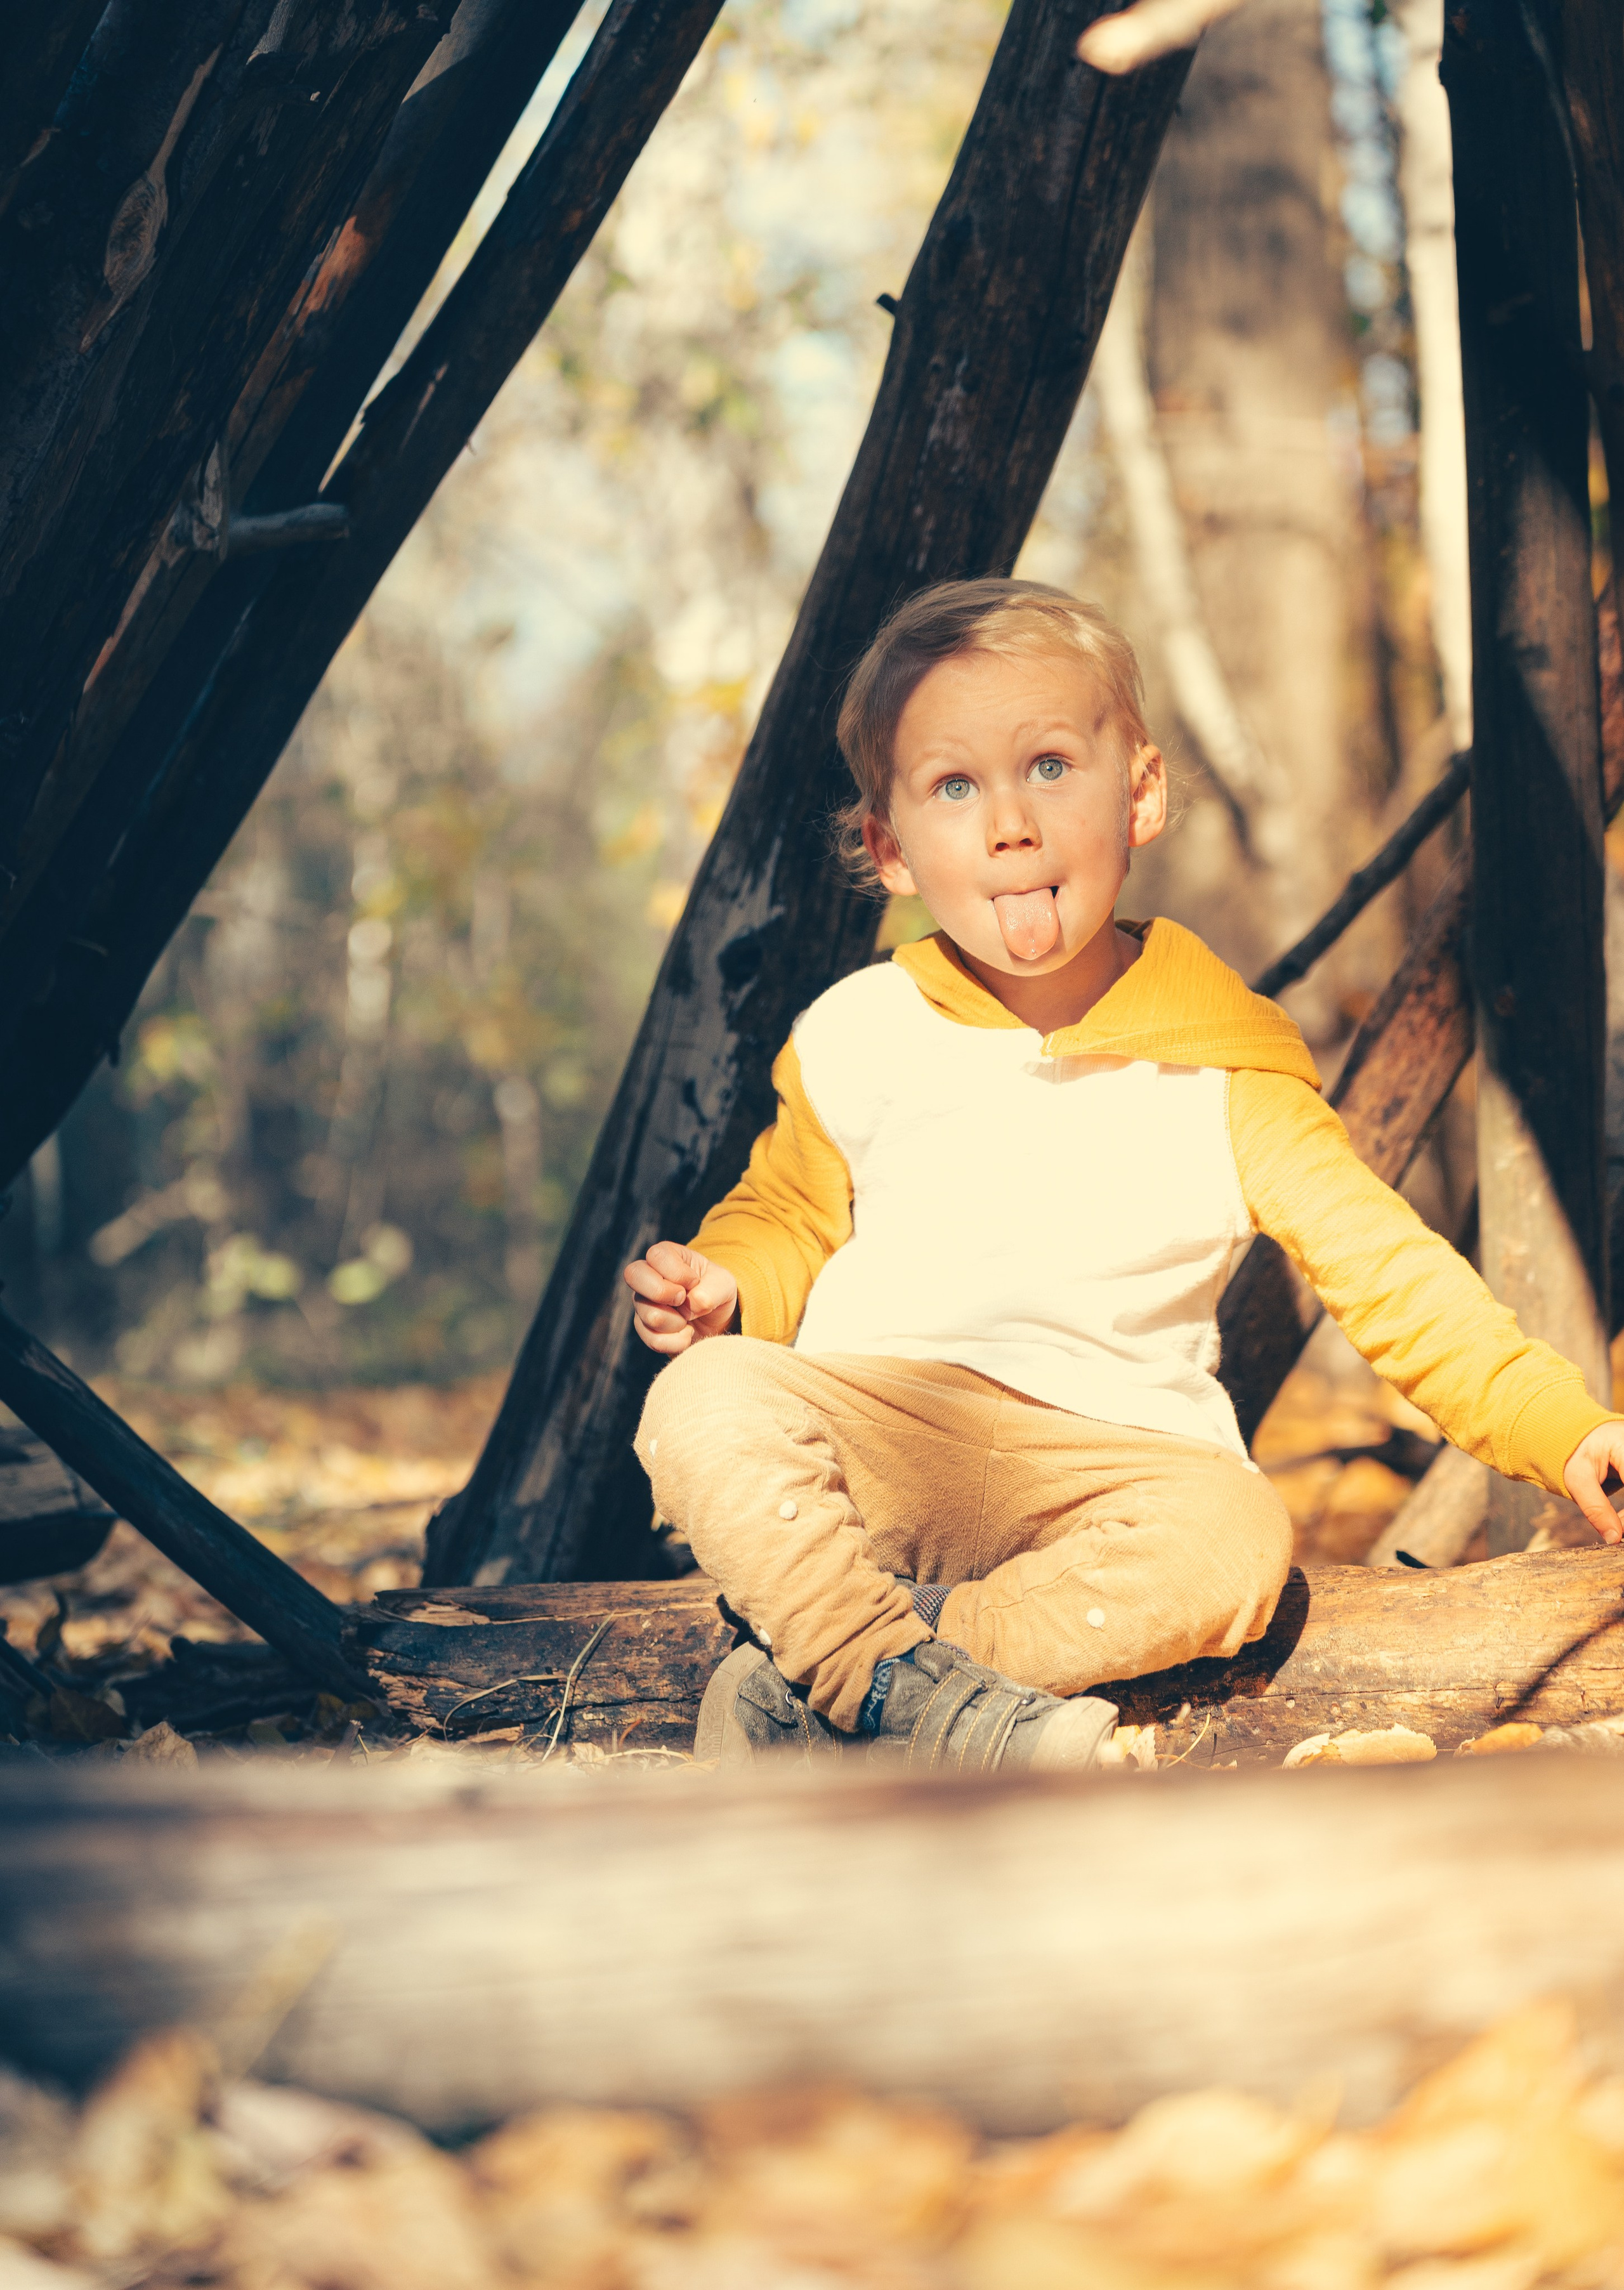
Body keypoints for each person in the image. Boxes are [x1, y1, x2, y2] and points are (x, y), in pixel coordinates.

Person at [622, 577, 1624, 1773]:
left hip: (1109, 1468)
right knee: (703, 1400)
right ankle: (905, 1685)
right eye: (955, 787)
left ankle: (862, 1679)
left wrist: (1565, 1429)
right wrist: (729, 1282)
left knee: (1237, 1538)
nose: (1010, 823)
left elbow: (1390, 1272)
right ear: (889, 848)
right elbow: (787, 1213)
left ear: (1138, 793)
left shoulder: (1224, 1062)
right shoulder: (857, 1030)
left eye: (1049, 765)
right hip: (886, 1436)